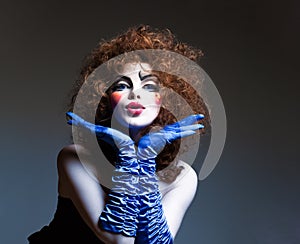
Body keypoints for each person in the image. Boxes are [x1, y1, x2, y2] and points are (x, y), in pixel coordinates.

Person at [27, 25, 210, 244]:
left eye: (149, 86)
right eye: (122, 85)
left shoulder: (183, 176)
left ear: (168, 99)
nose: (136, 93)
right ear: (105, 100)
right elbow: (119, 241)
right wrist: (128, 154)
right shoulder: (75, 158)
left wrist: (145, 156)